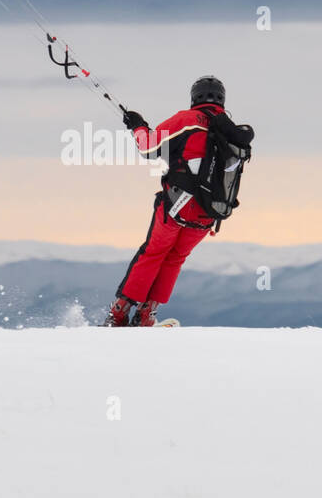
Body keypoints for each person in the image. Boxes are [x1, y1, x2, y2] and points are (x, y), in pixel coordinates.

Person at [104, 76, 254, 326]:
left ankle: (119, 312)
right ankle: (146, 313)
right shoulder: (234, 133)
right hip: (210, 212)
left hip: (177, 205)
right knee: (175, 258)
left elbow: (149, 149)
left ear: (194, 98)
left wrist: (138, 126)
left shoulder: (187, 119)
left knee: (153, 253)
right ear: (222, 100)